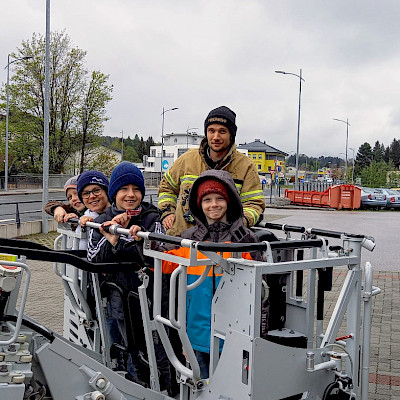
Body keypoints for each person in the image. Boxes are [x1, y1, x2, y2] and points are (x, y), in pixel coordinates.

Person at [162, 169, 265, 379]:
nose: (214, 204)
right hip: (198, 331)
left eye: (220, 198)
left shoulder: (245, 239)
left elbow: (260, 283)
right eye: (207, 199)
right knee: (201, 382)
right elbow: (166, 264)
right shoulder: (188, 239)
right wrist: (140, 242)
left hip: (235, 333)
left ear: (230, 202)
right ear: (199, 204)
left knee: (233, 383)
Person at [86, 162, 172, 393]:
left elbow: (159, 255)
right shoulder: (102, 220)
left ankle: (162, 391)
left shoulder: (152, 218)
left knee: (157, 349)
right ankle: (132, 390)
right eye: (124, 189)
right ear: (115, 193)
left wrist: (136, 242)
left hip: (153, 298)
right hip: (119, 300)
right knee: (127, 348)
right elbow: (94, 258)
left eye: (136, 189)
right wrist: (112, 236)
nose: (131, 195)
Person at [158, 106, 265, 236]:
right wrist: (168, 211)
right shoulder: (186, 160)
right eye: (211, 130)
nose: (216, 137)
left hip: (224, 245)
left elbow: (254, 204)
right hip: (182, 241)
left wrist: (240, 223)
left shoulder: (245, 166)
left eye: (222, 131)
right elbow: (166, 187)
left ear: (231, 134)